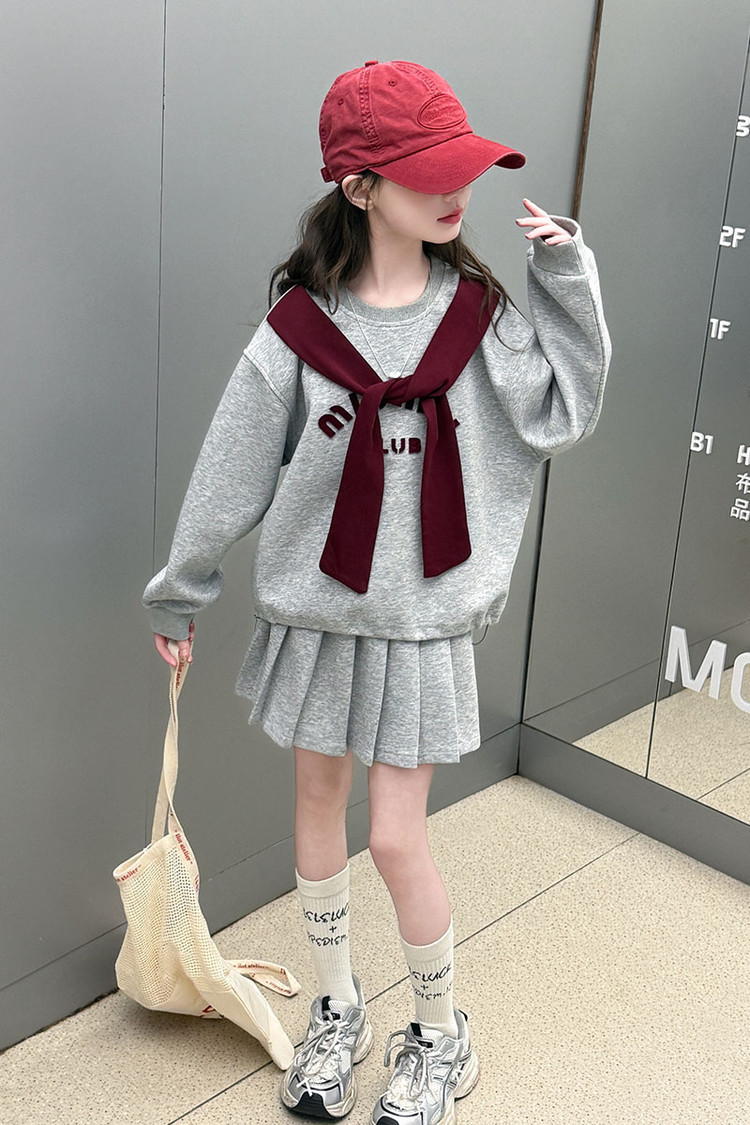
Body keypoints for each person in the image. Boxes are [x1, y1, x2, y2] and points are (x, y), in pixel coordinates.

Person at [143, 58, 611, 1125]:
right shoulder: (297, 332)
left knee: (396, 837)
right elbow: (230, 466)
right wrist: (181, 589)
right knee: (316, 810)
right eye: (430, 172)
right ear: (359, 186)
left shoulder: (479, 317)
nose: (460, 191)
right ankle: (337, 1008)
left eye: (466, 168)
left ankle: (441, 1033)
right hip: (317, 617)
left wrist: (566, 277)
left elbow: (563, 410)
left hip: (421, 624)